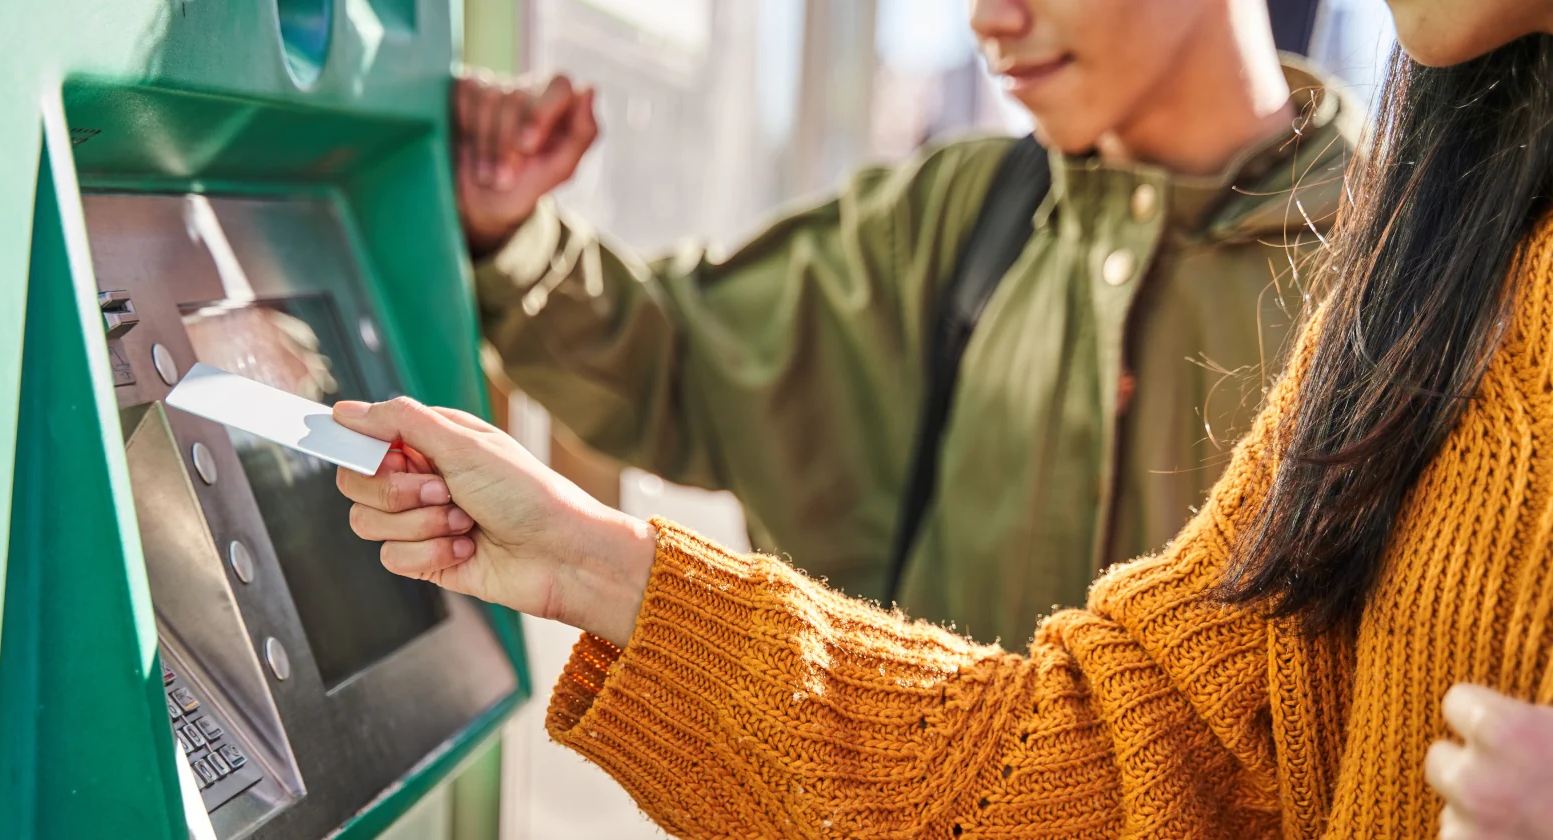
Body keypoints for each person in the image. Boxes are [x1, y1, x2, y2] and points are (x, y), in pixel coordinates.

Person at [338, 0, 1553, 832]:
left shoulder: (1385, 268)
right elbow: (1125, 755)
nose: (986, 19)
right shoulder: (963, 225)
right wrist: (590, 558)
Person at [457, 0, 1363, 644]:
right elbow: (678, 361)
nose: (986, 19)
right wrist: (510, 229)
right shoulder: (958, 216)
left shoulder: (1405, 279)